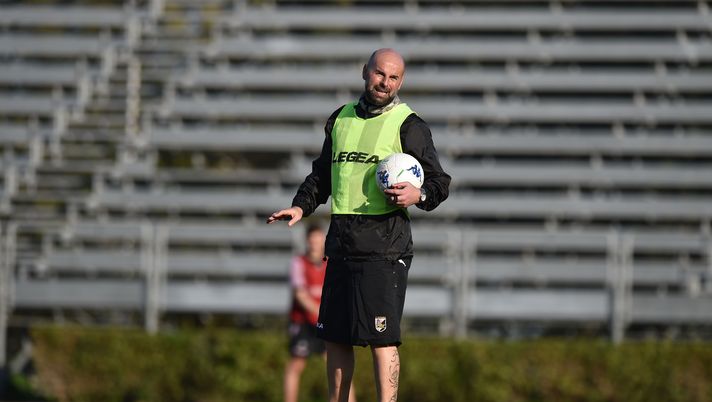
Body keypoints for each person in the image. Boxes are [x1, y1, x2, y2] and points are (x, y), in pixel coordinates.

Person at [268, 48, 451, 402]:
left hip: (385, 248)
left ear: (401, 81)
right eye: (379, 73)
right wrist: (300, 206)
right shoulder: (340, 119)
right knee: (336, 338)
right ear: (365, 72)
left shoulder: (409, 125)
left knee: (382, 340)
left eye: (393, 77)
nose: (385, 82)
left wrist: (419, 194)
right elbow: (322, 174)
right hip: (341, 244)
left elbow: (439, 182)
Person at [283, 224, 356, 402]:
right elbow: (300, 294)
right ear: (307, 242)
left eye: (318, 240)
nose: (315, 244)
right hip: (304, 322)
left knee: (338, 365)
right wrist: (322, 312)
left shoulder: (331, 263)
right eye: (312, 240)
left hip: (325, 322)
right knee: (296, 365)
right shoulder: (298, 263)